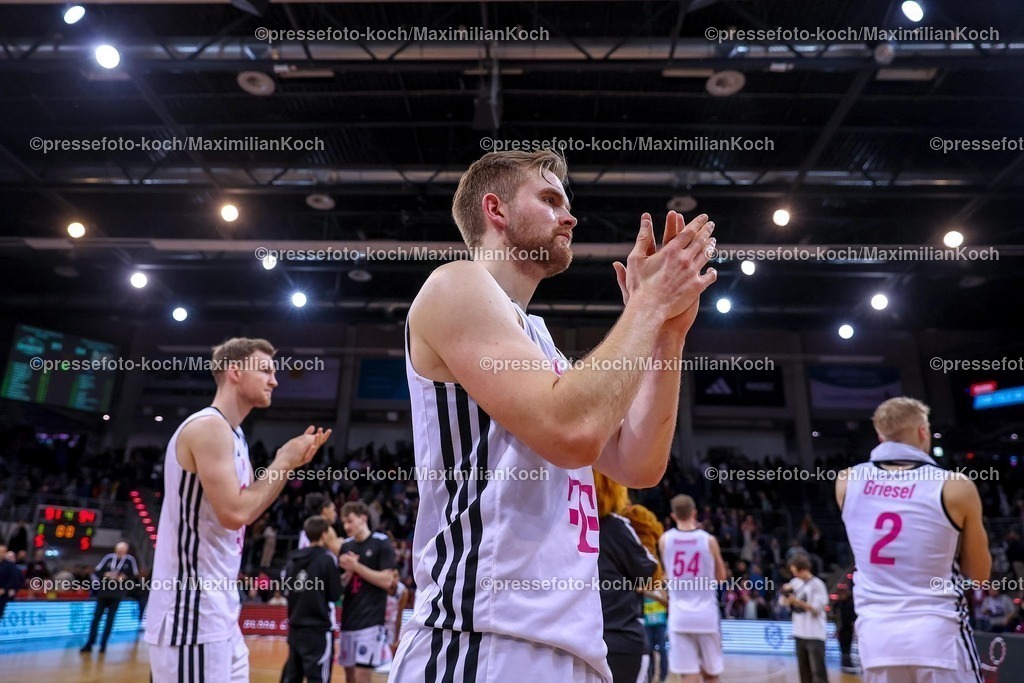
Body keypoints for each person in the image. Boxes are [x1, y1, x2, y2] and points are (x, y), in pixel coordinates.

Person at [389, 150, 716, 683]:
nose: (570, 217)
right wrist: (646, 306)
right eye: (549, 199)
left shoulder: (540, 340)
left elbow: (639, 464)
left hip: (574, 642)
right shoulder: (456, 284)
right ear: (495, 209)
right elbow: (573, 433)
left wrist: (667, 334)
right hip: (482, 640)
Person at [144, 337, 331, 683]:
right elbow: (235, 513)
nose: (274, 381)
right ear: (235, 372)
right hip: (190, 611)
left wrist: (286, 464)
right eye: (265, 370)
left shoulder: (235, 435)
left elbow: (245, 507)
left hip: (219, 610)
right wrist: (284, 461)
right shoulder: (208, 427)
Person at [836, 396, 991, 683]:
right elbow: (979, 575)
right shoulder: (955, 486)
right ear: (923, 431)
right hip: (937, 635)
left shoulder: (846, 480)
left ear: (880, 436)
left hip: (877, 638)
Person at [594, 470, 659, 683]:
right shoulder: (616, 526)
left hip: (579, 638)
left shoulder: (565, 525)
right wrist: (647, 534)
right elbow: (649, 571)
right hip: (622, 637)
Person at [660, 495, 727, 683]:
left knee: (688, 675)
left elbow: (667, 574)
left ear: (673, 516)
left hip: (679, 616)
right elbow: (721, 577)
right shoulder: (708, 540)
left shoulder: (665, 540)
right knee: (711, 674)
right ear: (694, 513)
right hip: (706, 615)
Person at [338, 500, 397, 683]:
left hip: (371, 620)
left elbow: (387, 580)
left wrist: (356, 567)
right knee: (349, 677)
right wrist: (348, 573)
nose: (346, 526)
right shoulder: (346, 546)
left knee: (362, 675)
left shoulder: (381, 542)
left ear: (363, 518)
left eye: (350, 521)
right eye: (344, 522)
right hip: (348, 619)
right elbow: (339, 587)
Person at [281, 516, 344, 683]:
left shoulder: (292, 559)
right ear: (324, 534)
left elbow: (286, 590)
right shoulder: (327, 559)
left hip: (295, 627)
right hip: (318, 630)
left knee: (292, 677)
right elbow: (335, 595)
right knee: (318, 678)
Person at [81, 541, 138, 653]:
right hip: (104, 592)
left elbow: (134, 576)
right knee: (96, 618)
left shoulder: (130, 560)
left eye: (123, 549)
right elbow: (97, 572)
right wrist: (105, 574)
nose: (120, 551)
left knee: (110, 620)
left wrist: (124, 577)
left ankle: (103, 644)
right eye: (119, 548)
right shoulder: (108, 558)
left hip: (117, 594)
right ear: (116, 549)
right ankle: (90, 643)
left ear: (126, 550)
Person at [779, 554, 828, 683]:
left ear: (804, 569)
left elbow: (816, 609)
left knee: (818, 672)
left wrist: (796, 602)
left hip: (815, 634)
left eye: (795, 571)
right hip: (799, 633)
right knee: (803, 671)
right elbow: (782, 602)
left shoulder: (817, 584)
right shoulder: (795, 582)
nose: (794, 574)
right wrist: (785, 593)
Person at [0, 546, 23, 622]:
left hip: (3, 595)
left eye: (2, 552)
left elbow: (14, 580)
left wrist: (4, 589)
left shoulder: (10, 566)